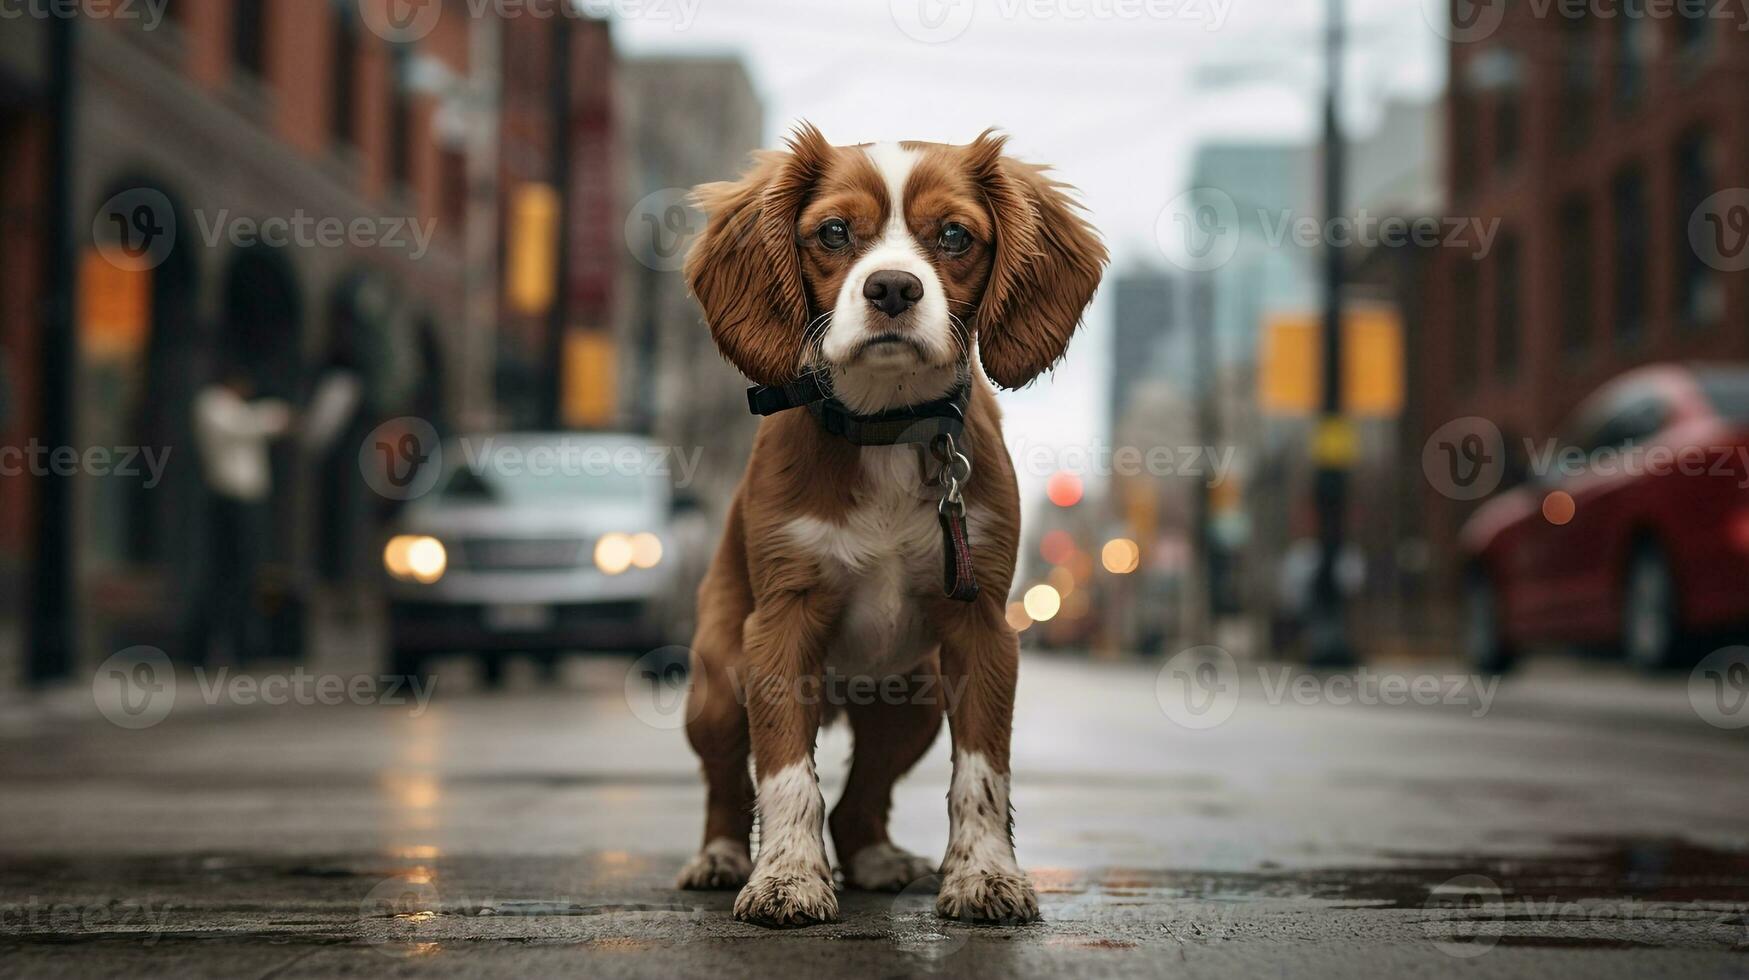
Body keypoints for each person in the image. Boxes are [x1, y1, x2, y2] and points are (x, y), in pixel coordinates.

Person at [192, 358, 291, 664]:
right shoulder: (212, 404)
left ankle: (247, 643)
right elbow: (244, 425)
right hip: (228, 502)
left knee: (251, 573)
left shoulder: (237, 410)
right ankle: (215, 645)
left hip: (250, 502)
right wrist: (277, 416)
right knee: (227, 575)